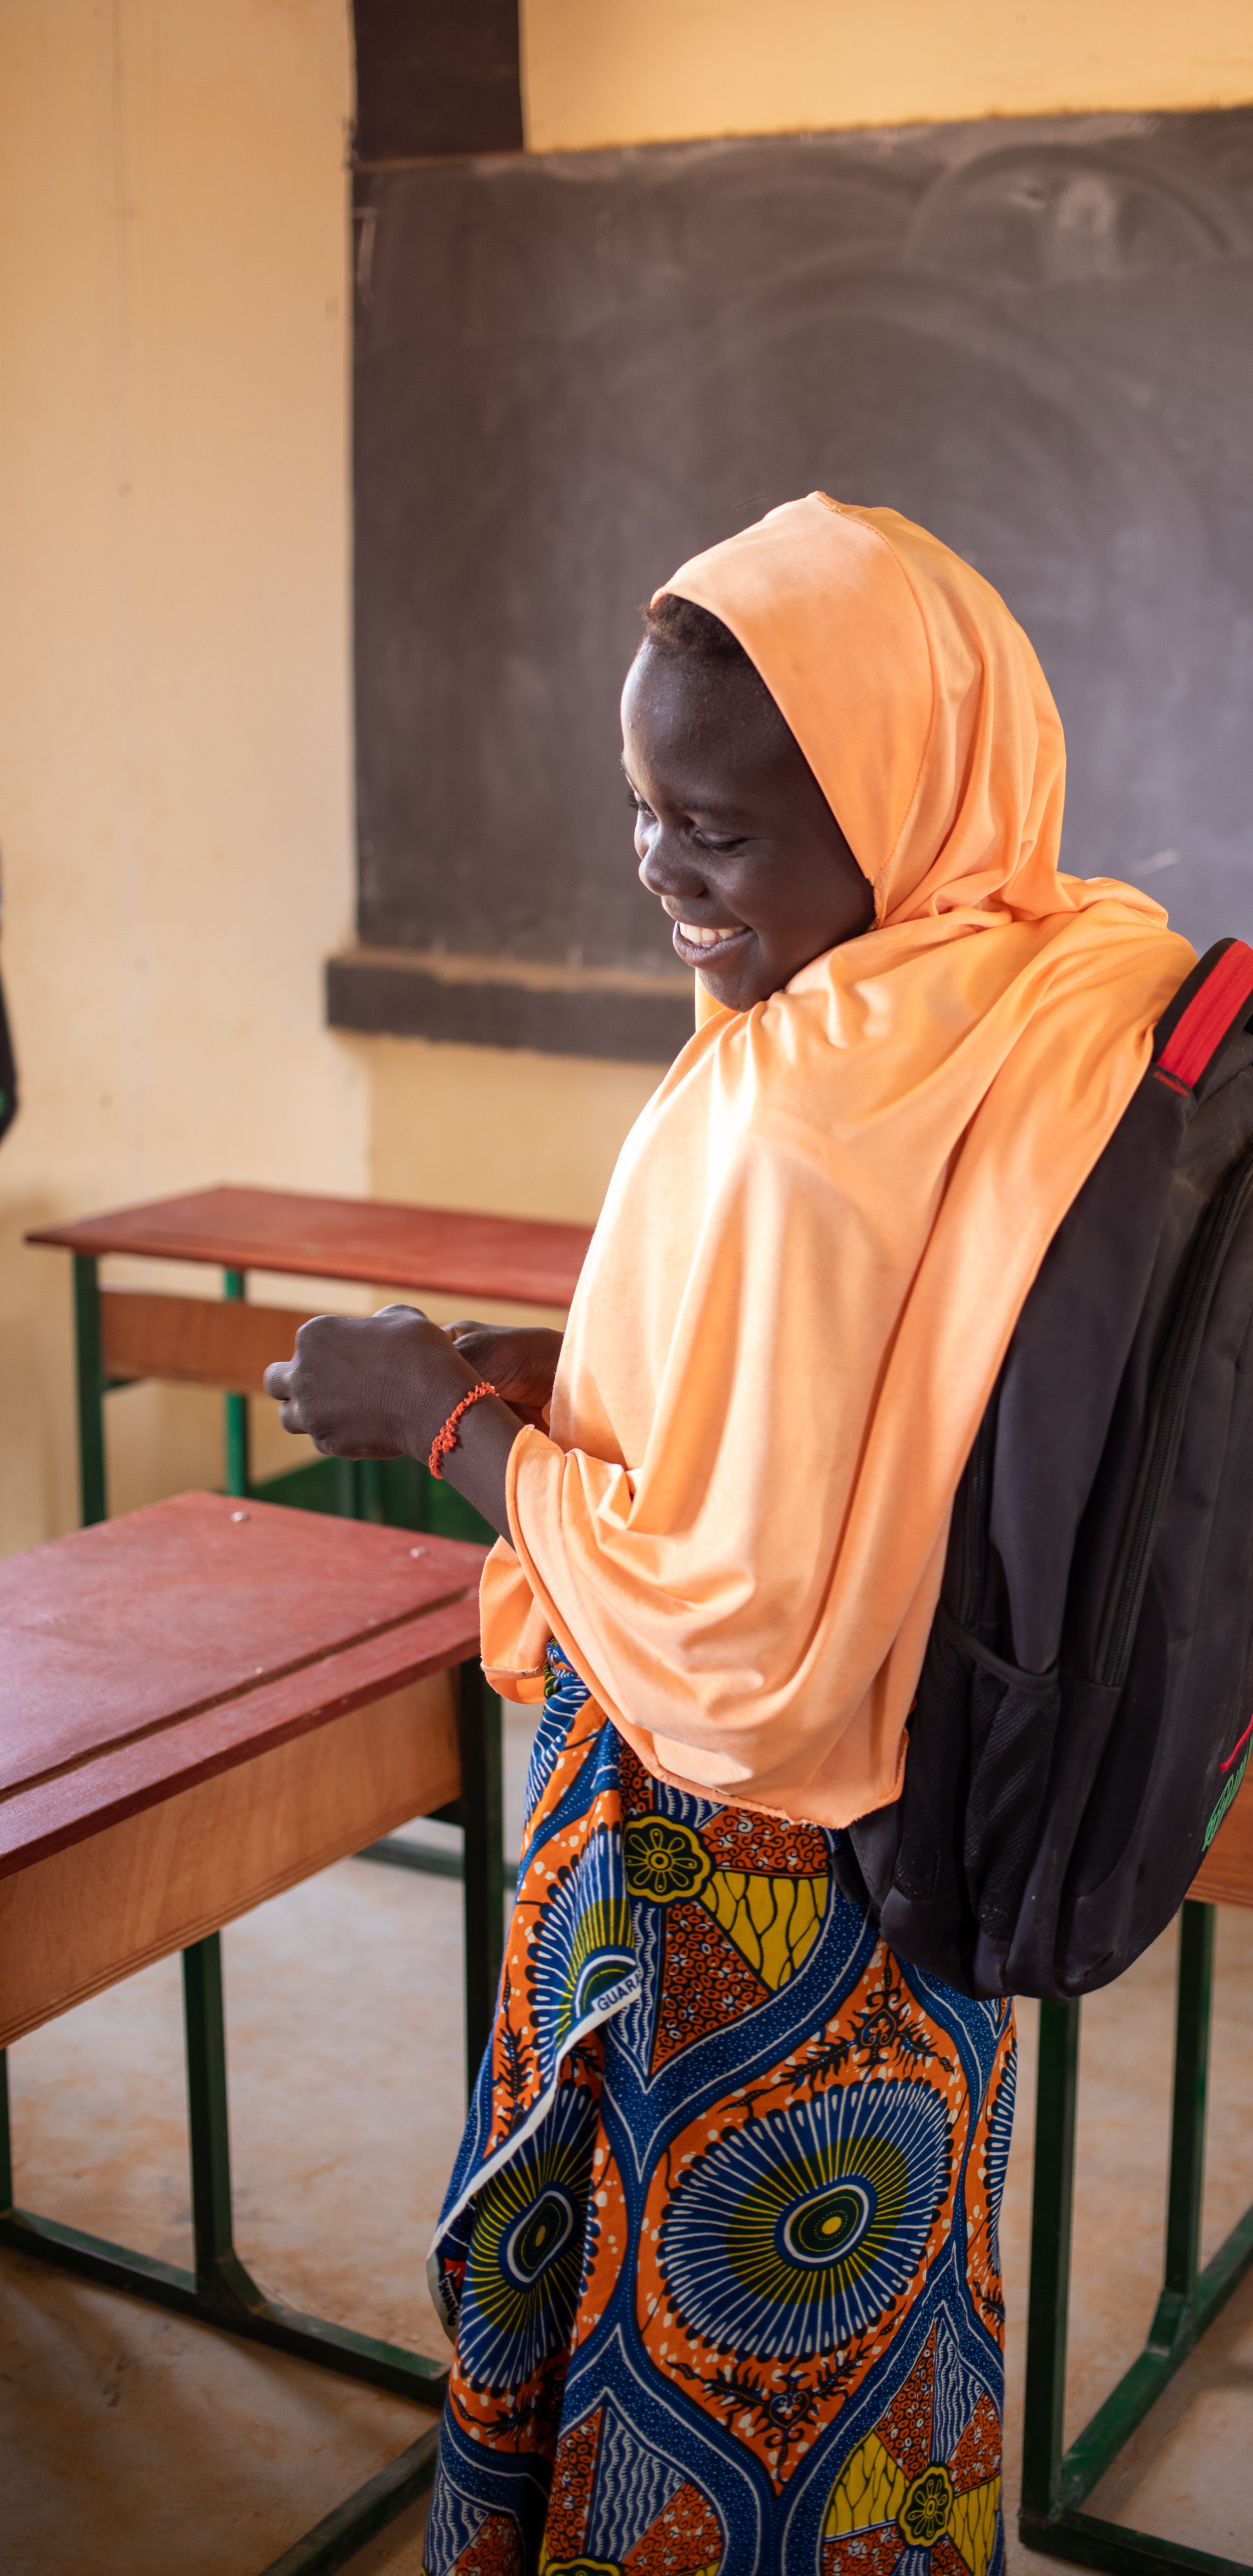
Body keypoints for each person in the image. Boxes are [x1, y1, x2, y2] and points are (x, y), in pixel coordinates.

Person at [268, 494, 1195, 2576]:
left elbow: (735, 1631)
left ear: (897, 804)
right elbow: (880, 1377)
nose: (660, 871)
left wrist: (443, 1425)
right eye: (642, 811)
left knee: (680, 2366)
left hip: (728, 1891)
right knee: (866, 2354)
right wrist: (549, 1347)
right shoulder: (1041, 988)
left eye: (720, 829)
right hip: (930, 1841)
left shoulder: (799, 1103)